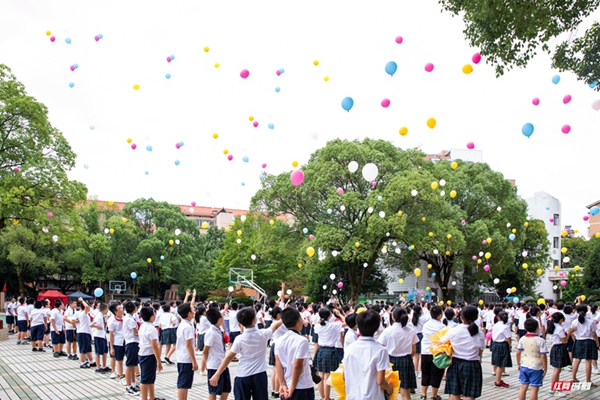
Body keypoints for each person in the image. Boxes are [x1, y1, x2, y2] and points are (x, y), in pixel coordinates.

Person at [209, 306, 283, 400]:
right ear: (255, 320)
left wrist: (217, 373)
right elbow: (275, 326)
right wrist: (285, 318)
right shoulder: (263, 334)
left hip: (243, 375)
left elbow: (228, 357)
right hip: (259, 374)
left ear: (239, 323)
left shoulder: (239, 339)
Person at [342, 309, 393, 400]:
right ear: (377, 328)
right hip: (373, 396)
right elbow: (380, 381)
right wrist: (389, 388)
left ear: (358, 326)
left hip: (352, 396)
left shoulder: (349, 349)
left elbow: (344, 376)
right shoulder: (381, 350)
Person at [440, 305, 486, 400]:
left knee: (454, 393)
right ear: (476, 317)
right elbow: (480, 351)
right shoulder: (480, 333)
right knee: (469, 395)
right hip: (473, 365)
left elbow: (441, 342)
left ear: (461, 318)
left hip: (455, 364)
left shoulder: (453, 331)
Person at [274, 307, 316, 400]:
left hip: (286, 386)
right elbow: (297, 366)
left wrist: (282, 384)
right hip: (302, 385)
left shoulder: (279, 340)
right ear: (299, 320)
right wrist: (292, 388)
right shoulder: (302, 341)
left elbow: (278, 363)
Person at [377, 307, 418, 400]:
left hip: (390, 361)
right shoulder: (411, 330)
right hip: (406, 360)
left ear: (393, 318)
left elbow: (380, 345)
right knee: (406, 392)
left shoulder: (388, 330)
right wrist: (408, 357)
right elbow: (414, 350)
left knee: (389, 390)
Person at [314, 306, 345, 400]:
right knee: (327, 375)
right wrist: (340, 314)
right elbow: (347, 322)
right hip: (330, 351)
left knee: (320, 375)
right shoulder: (334, 325)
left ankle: (322, 397)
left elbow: (317, 324)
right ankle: (327, 398)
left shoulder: (318, 326)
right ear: (329, 316)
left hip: (321, 350)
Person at [202, 307, 231, 400]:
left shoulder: (219, 330)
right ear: (219, 319)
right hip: (214, 365)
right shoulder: (211, 333)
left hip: (222, 364)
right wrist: (205, 363)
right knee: (213, 391)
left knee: (226, 389)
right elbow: (205, 350)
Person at [516, 318, 548, 400]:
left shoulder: (522, 338)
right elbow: (543, 356)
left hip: (524, 364)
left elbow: (518, 352)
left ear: (525, 328)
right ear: (537, 327)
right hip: (536, 366)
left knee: (523, 386)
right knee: (534, 389)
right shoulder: (541, 340)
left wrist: (518, 363)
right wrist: (545, 368)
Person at [569, 305, 599, 387]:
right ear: (586, 311)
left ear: (577, 311)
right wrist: (597, 343)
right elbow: (594, 334)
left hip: (578, 341)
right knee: (588, 361)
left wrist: (575, 340)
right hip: (589, 342)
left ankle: (573, 378)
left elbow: (572, 333)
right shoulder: (590, 321)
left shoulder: (574, 322)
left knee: (577, 360)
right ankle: (588, 381)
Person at [137, 306, 164, 400]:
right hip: (148, 355)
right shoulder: (152, 329)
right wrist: (159, 361)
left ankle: (152, 397)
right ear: (151, 317)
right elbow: (154, 346)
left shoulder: (143, 326)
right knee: (145, 379)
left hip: (143, 354)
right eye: (154, 314)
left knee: (150, 378)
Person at [176, 302, 198, 400]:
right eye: (192, 310)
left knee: (185, 384)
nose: (194, 312)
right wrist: (194, 361)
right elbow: (189, 345)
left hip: (181, 357)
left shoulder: (183, 324)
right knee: (183, 384)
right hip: (186, 359)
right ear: (188, 313)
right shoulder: (187, 327)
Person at [546, 312, 571, 396]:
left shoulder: (553, 326)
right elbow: (564, 341)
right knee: (557, 370)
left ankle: (556, 388)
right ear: (561, 319)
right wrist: (570, 332)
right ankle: (553, 390)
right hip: (559, 348)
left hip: (555, 348)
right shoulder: (559, 328)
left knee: (558, 369)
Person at [123, 301, 141, 396]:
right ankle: (128, 386)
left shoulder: (129, 318)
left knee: (133, 365)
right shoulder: (129, 319)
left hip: (133, 343)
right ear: (134, 309)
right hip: (131, 343)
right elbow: (136, 332)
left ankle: (133, 385)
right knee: (129, 365)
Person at [268, 306, 286, 398]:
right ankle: (277, 390)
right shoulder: (280, 324)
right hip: (280, 346)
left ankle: (274, 390)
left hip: (274, 345)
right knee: (279, 370)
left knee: (274, 370)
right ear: (279, 314)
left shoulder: (273, 322)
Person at [491, 311, 512, 389]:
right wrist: (510, 346)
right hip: (502, 344)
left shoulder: (495, 325)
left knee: (497, 363)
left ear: (498, 317)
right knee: (500, 364)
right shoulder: (505, 326)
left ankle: (498, 379)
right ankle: (498, 381)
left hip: (495, 344)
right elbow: (509, 337)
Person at [72, 298, 95, 368]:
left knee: (88, 348)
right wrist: (82, 300)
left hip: (87, 332)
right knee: (83, 348)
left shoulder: (86, 314)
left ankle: (91, 361)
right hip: (82, 332)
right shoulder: (83, 313)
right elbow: (72, 321)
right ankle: (82, 363)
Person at [107, 302, 125, 380]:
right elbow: (111, 335)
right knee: (117, 359)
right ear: (115, 311)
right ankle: (117, 373)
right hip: (116, 342)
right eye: (119, 308)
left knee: (121, 359)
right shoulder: (111, 321)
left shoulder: (124, 317)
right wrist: (111, 347)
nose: (122, 309)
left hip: (124, 340)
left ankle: (120, 372)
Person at [90, 303, 110, 373]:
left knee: (105, 351)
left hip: (103, 335)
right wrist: (97, 327)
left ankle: (104, 366)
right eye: (107, 308)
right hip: (98, 336)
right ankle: (98, 367)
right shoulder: (98, 316)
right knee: (98, 352)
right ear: (105, 309)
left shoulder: (103, 316)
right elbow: (91, 324)